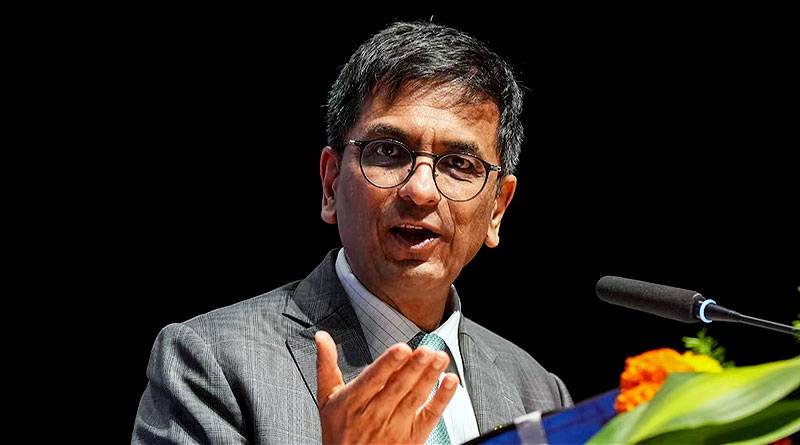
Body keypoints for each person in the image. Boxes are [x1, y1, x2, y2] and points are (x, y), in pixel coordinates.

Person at [132, 20, 572, 445]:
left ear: (497, 208)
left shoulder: (539, 391)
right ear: (330, 183)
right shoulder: (211, 361)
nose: (420, 191)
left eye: (458, 163)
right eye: (388, 151)